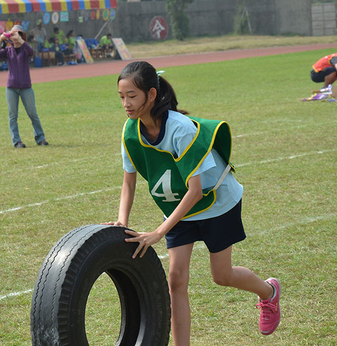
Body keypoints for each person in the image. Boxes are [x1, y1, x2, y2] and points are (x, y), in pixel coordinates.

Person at [104, 61, 281, 343]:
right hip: (181, 210)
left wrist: (159, 231)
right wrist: (122, 221)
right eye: (121, 97)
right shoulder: (130, 131)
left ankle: (268, 293)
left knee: (221, 276)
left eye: (132, 96)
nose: (125, 103)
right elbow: (129, 180)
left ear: (151, 95)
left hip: (217, 203)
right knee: (175, 280)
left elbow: (196, 191)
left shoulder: (180, 129)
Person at [0, 25, 48, 148]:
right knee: (13, 116)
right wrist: (1, 40)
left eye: (18, 33)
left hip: (26, 87)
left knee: (32, 113)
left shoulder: (25, 50)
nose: (15, 36)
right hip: (11, 87)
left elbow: (31, 51)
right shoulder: (8, 51)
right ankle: (17, 141)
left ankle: (40, 138)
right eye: (12, 34)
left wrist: (21, 40)